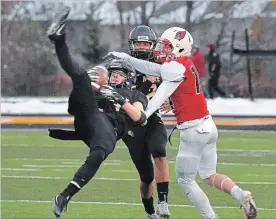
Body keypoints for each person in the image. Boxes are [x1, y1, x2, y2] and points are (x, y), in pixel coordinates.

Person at [107, 27, 257, 219]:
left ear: (179, 47)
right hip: (209, 126)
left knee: (186, 181)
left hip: (193, 130)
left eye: (167, 46)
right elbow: (152, 69)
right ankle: (240, 194)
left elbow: (157, 96)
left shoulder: (174, 69)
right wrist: (125, 57)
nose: (162, 49)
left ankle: (211, 218)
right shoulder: (184, 63)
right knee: (209, 175)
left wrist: (145, 113)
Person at [47, 7, 148, 218]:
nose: (115, 78)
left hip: (111, 126)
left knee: (99, 153)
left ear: (128, 78)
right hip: (88, 115)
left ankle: (64, 196)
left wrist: (120, 100)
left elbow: (140, 118)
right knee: (82, 78)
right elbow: (76, 106)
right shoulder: (103, 86)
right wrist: (95, 87)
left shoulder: (134, 94)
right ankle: (59, 38)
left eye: (120, 75)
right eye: (113, 74)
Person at [127, 25, 171, 218]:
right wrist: (146, 83)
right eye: (139, 44)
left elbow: (176, 85)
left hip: (153, 119)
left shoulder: (161, 65)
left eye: (146, 44)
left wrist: (171, 100)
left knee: (160, 153)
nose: (143, 48)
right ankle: (150, 212)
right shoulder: (125, 66)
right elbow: (129, 97)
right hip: (133, 123)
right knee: (146, 177)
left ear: (153, 46)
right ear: (132, 46)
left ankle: (163, 203)